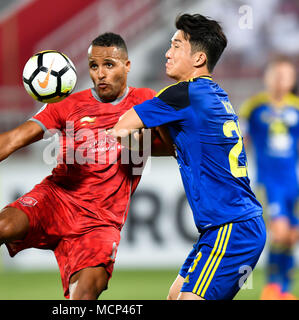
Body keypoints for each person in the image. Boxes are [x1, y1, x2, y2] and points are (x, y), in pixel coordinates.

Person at [0, 32, 173, 299]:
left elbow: (173, 147)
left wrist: (138, 145)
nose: (101, 74)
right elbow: (14, 138)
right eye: (94, 66)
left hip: (100, 223)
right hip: (56, 200)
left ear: (127, 66)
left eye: (109, 64)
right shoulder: (69, 105)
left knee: (83, 297)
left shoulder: (146, 100)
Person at [108, 14, 266, 300]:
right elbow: (180, 147)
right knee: (175, 296)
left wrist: (101, 142)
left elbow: (121, 128)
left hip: (231, 227)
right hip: (228, 226)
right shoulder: (217, 95)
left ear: (198, 58)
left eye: (177, 45)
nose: (168, 53)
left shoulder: (182, 94)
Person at [239, 57, 299, 300]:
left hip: (293, 182)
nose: (281, 80)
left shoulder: (296, 107)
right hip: (268, 182)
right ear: (267, 77)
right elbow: (238, 139)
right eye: (277, 74)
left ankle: (284, 289)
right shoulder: (254, 107)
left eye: (286, 75)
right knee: (280, 231)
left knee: (292, 235)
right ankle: (273, 288)